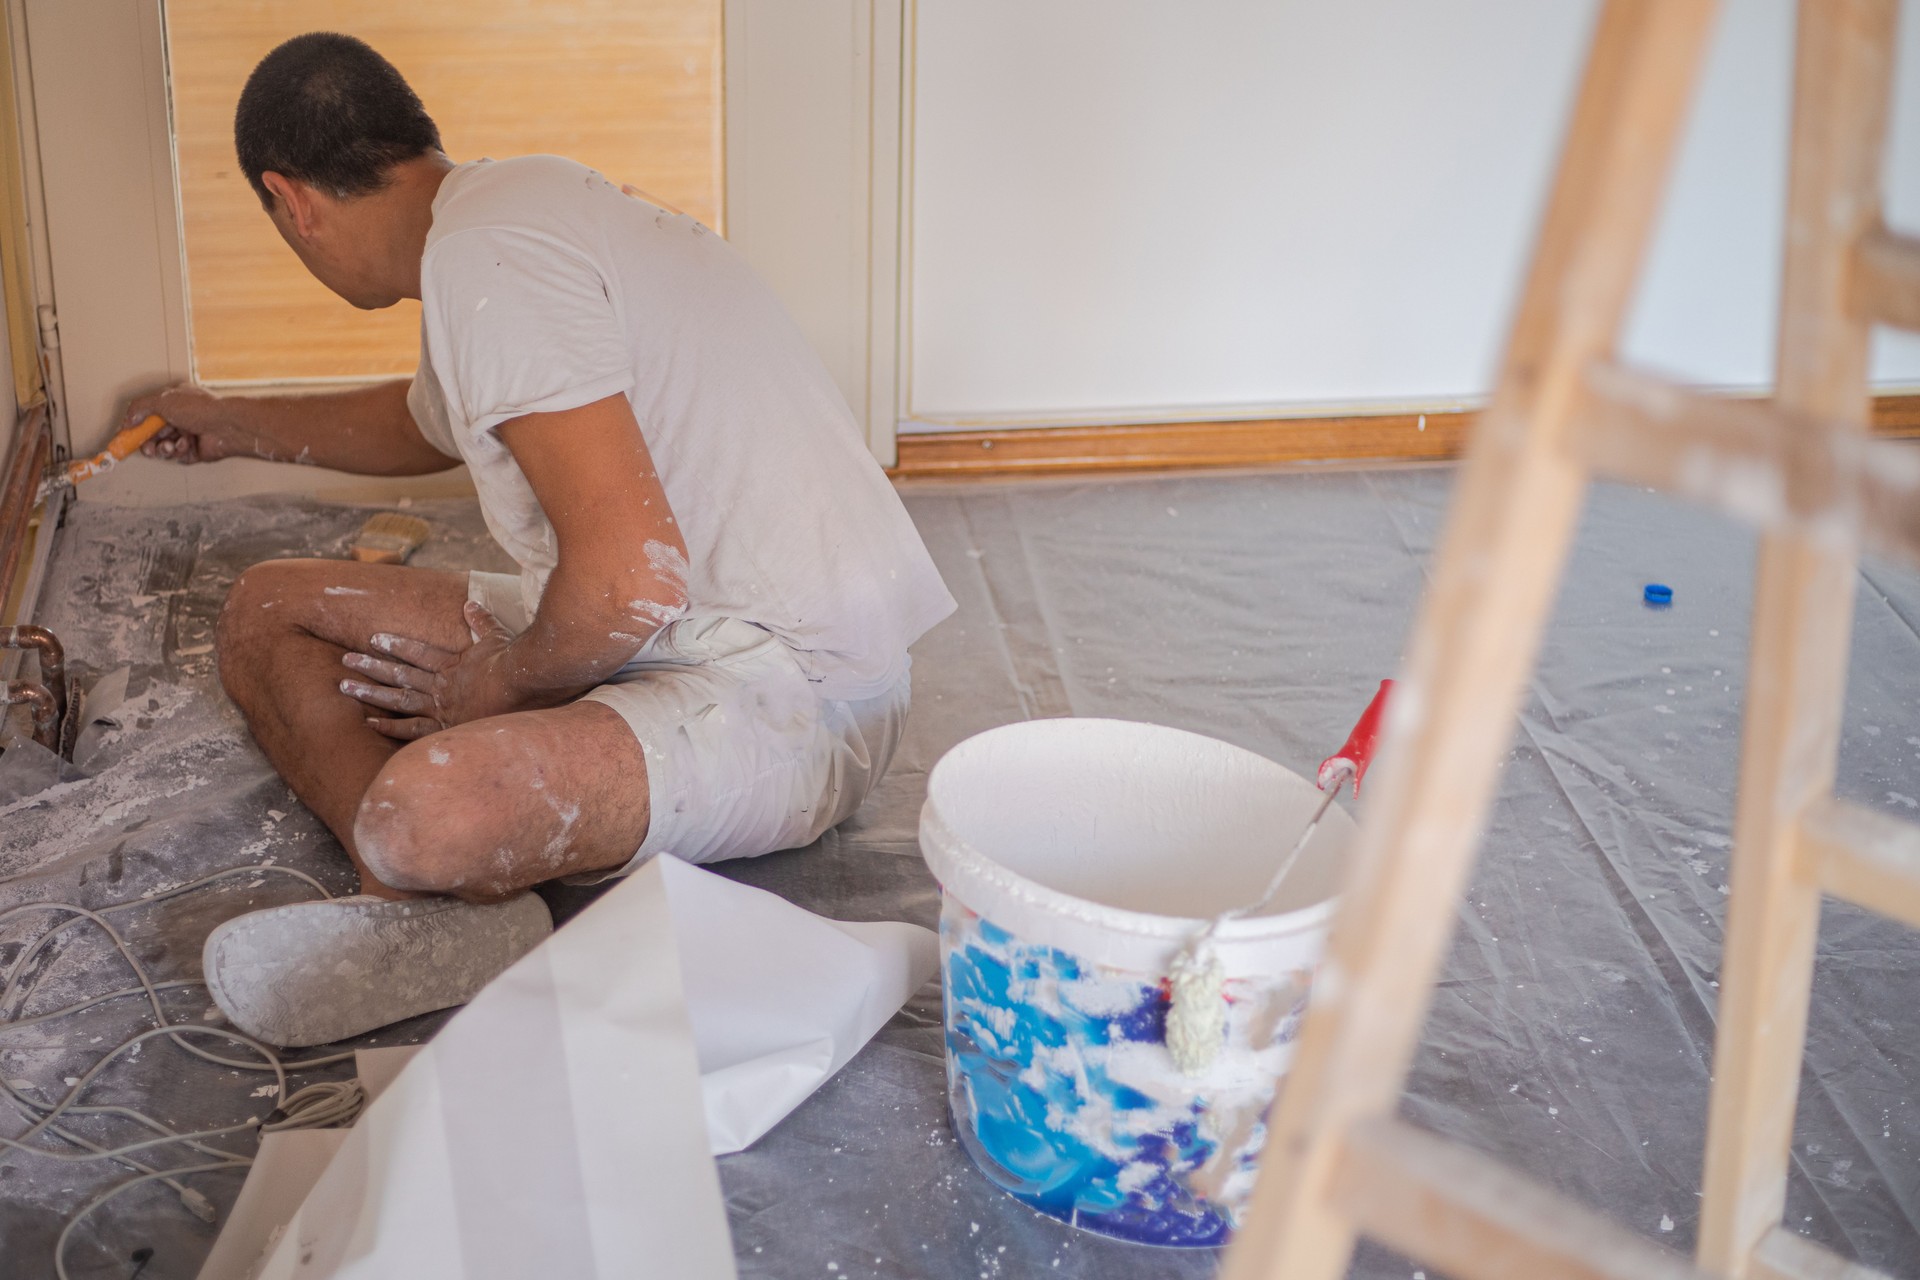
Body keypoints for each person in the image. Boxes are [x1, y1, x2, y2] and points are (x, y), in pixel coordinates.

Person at [126, 32, 954, 1048]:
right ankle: (428, 902)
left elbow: (625, 583)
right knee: (266, 610)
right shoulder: (503, 214)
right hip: (684, 621)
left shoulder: (488, 258)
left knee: (426, 811)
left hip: (798, 687)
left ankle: (418, 872)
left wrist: (499, 684)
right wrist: (233, 422)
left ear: (289, 200)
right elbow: (428, 420)